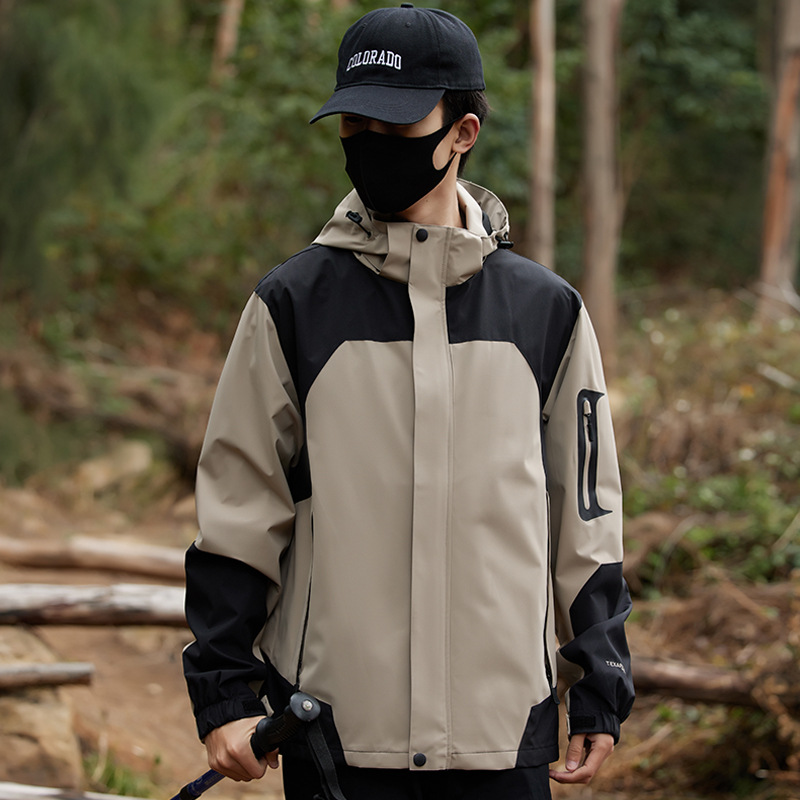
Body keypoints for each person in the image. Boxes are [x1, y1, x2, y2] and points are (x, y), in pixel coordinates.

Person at [182, 5, 634, 800]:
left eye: (394, 125)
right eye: (354, 124)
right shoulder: (293, 305)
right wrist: (222, 692)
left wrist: (599, 676)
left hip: (503, 734)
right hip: (335, 735)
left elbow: (585, 518)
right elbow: (238, 509)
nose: (369, 143)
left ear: (462, 132)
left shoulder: (546, 313)